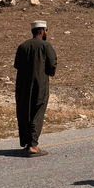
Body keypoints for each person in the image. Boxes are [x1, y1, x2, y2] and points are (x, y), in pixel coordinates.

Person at [14, 20, 57, 157]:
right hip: (40, 84)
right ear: (42, 31)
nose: (47, 32)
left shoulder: (23, 46)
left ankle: (27, 142)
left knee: (24, 112)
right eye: (46, 30)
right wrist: (49, 73)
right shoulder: (45, 46)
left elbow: (17, 65)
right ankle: (33, 145)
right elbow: (52, 64)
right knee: (37, 112)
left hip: (22, 85)